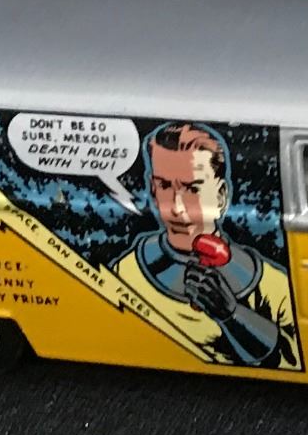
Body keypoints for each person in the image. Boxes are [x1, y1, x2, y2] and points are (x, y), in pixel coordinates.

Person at [111, 123, 290, 366]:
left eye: (192, 188)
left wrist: (231, 314)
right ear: (153, 191)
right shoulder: (127, 270)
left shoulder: (271, 286)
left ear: (221, 196)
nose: (177, 207)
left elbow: (289, 357)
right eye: (164, 186)